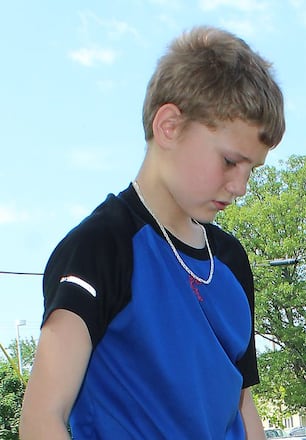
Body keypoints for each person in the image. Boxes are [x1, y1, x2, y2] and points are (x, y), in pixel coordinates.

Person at [20, 25, 285, 439]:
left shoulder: (231, 261)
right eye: (231, 161)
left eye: (253, 169)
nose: (240, 186)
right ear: (169, 126)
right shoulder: (99, 247)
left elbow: (240, 400)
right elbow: (41, 420)